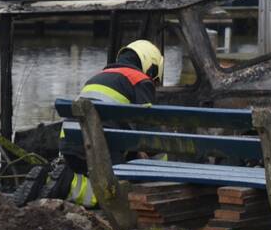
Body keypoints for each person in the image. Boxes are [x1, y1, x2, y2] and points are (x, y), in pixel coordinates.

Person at [14, 40, 163, 207]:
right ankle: (67, 184)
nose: (154, 82)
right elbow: (149, 131)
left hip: (70, 143)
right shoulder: (139, 80)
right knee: (113, 196)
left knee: (97, 177)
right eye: (155, 77)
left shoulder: (97, 77)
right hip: (101, 148)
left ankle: (49, 179)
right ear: (151, 65)